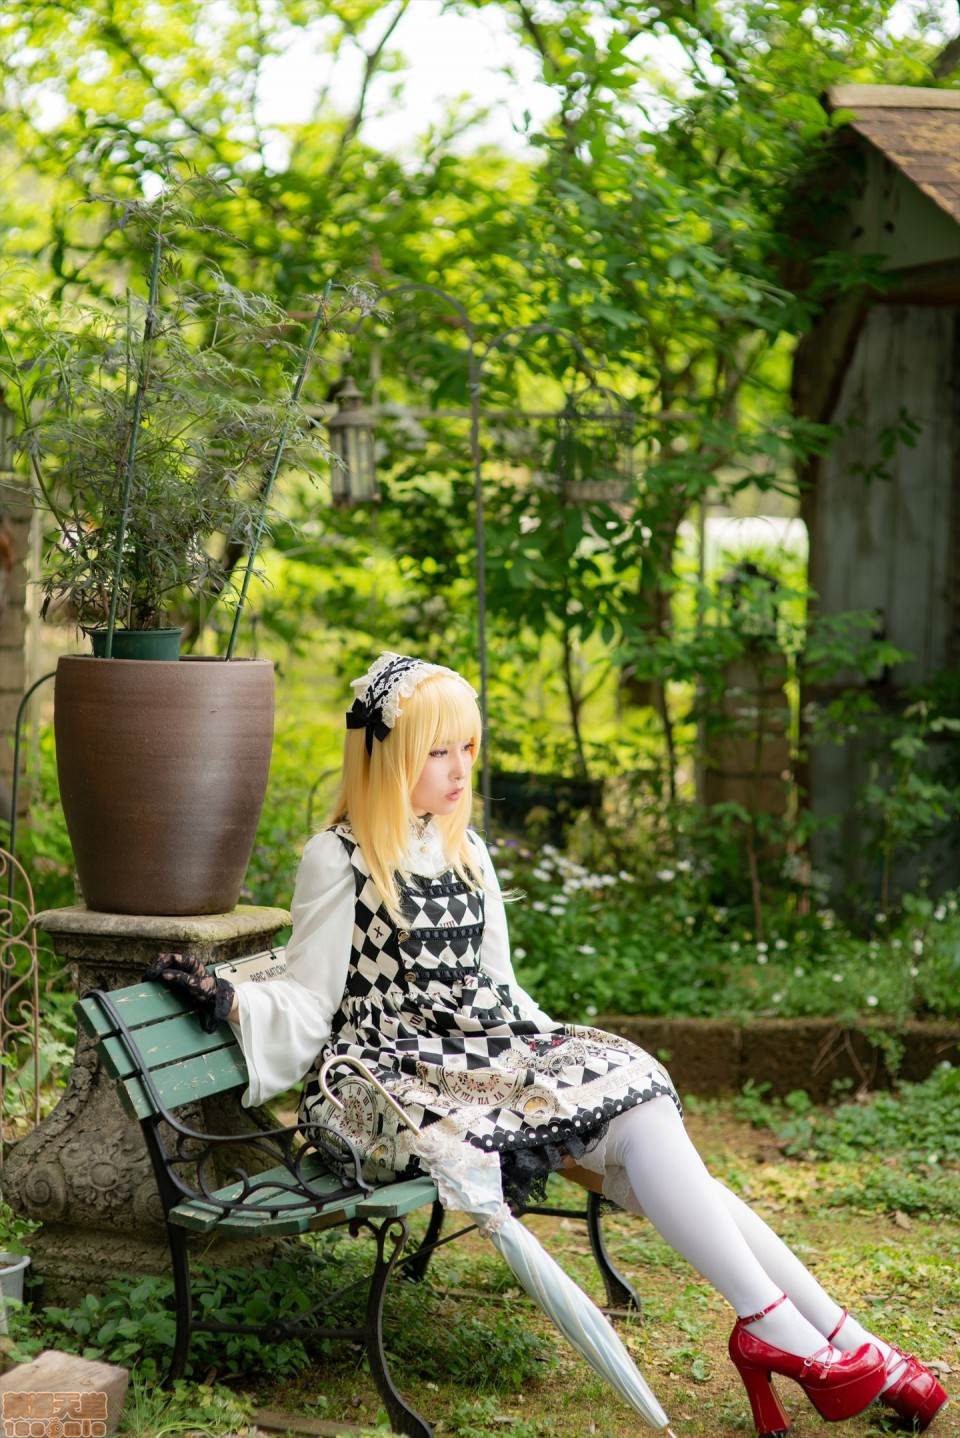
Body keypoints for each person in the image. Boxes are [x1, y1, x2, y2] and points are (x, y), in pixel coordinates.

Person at [145, 650, 948, 1437]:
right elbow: (312, 998)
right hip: (390, 1081)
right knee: (635, 1120)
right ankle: (820, 1342)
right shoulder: (340, 857)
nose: (461, 769)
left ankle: (822, 1335)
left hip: (479, 1061)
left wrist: (565, 1065)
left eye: (467, 748)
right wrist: (231, 999)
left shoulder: (465, 850)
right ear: (386, 755)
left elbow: (502, 991)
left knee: (633, 1097)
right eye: (438, 751)